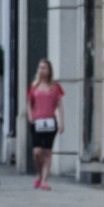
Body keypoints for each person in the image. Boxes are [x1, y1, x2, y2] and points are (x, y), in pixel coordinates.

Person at [27, 57, 65, 190]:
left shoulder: (55, 87)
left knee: (48, 151)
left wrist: (61, 122)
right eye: (40, 67)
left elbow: (60, 105)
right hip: (37, 121)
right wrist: (30, 116)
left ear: (49, 71)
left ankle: (44, 180)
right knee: (37, 151)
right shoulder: (34, 86)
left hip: (50, 121)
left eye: (44, 68)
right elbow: (29, 103)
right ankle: (39, 172)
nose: (41, 70)